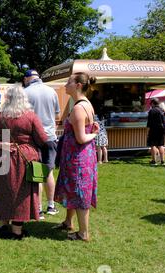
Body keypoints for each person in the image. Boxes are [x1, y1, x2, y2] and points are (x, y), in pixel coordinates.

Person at [0, 85, 48, 240]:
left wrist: (1, 144)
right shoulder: (30, 117)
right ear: (24, 99)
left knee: (3, 192)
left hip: (1, 157)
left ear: (7, 99)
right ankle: (17, 231)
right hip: (24, 159)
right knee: (21, 194)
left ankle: (3, 226)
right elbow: (43, 139)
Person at [53, 72, 100, 241]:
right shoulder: (84, 104)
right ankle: (67, 222)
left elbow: (81, 138)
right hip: (77, 156)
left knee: (80, 192)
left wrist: (94, 134)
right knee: (72, 189)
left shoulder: (79, 108)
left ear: (78, 85)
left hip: (78, 158)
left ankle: (83, 233)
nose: (65, 85)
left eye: (68, 82)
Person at [24, 69, 60, 218]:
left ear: (27, 79)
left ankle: (37, 208)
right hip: (50, 136)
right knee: (49, 172)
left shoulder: (25, 92)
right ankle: (51, 206)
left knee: (37, 173)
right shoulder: (52, 91)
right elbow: (57, 114)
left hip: (33, 137)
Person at [147, 97, 165, 166]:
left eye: (151, 103)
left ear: (153, 103)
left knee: (153, 145)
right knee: (161, 145)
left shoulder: (152, 111)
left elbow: (149, 123)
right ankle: (162, 161)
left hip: (153, 130)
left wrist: (148, 132)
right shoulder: (163, 110)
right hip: (162, 130)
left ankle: (154, 161)